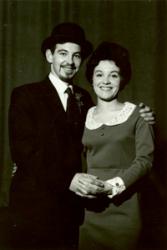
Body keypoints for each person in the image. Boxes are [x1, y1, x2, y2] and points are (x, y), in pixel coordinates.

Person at [8, 22, 154, 250]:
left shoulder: (85, 98)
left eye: (76, 55)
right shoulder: (25, 95)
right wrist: (66, 179)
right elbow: (24, 151)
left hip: (74, 212)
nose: (69, 61)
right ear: (49, 55)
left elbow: (106, 130)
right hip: (35, 209)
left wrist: (142, 115)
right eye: (63, 53)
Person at [78, 42, 155, 250]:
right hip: (89, 211)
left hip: (125, 211)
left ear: (122, 80)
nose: (105, 81)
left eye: (113, 75)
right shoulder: (81, 116)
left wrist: (113, 185)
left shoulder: (138, 115)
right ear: (91, 78)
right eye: (99, 74)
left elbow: (145, 160)